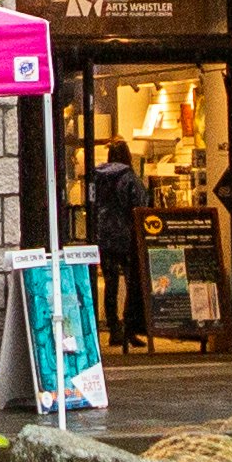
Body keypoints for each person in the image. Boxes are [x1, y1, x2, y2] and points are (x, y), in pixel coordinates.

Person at [85, 138, 149, 349]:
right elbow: (140, 204)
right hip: (126, 236)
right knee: (132, 283)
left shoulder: (97, 176)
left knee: (110, 284)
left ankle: (114, 329)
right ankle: (130, 326)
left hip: (103, 236)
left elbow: (91, 203)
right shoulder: (129, 178)